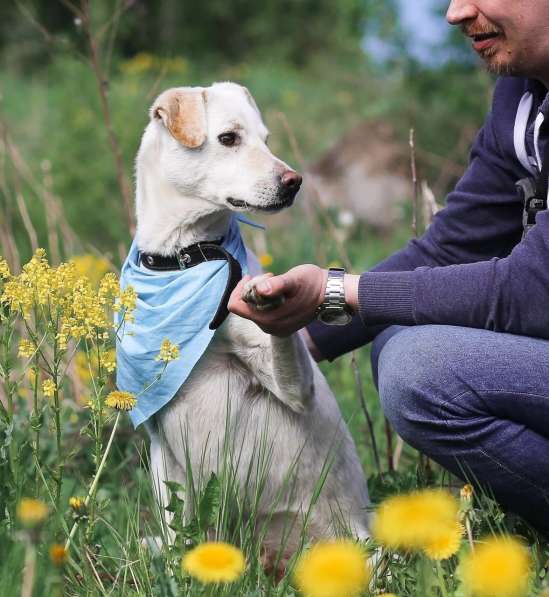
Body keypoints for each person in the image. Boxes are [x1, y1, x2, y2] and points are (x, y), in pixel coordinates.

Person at [228, 0, 549, 534]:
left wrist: (336, 291)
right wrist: (284, 341)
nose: (455, 13)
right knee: (399, 338)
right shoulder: (523, 94)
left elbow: (533, 292)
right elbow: (453, 247)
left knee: (424, 371)